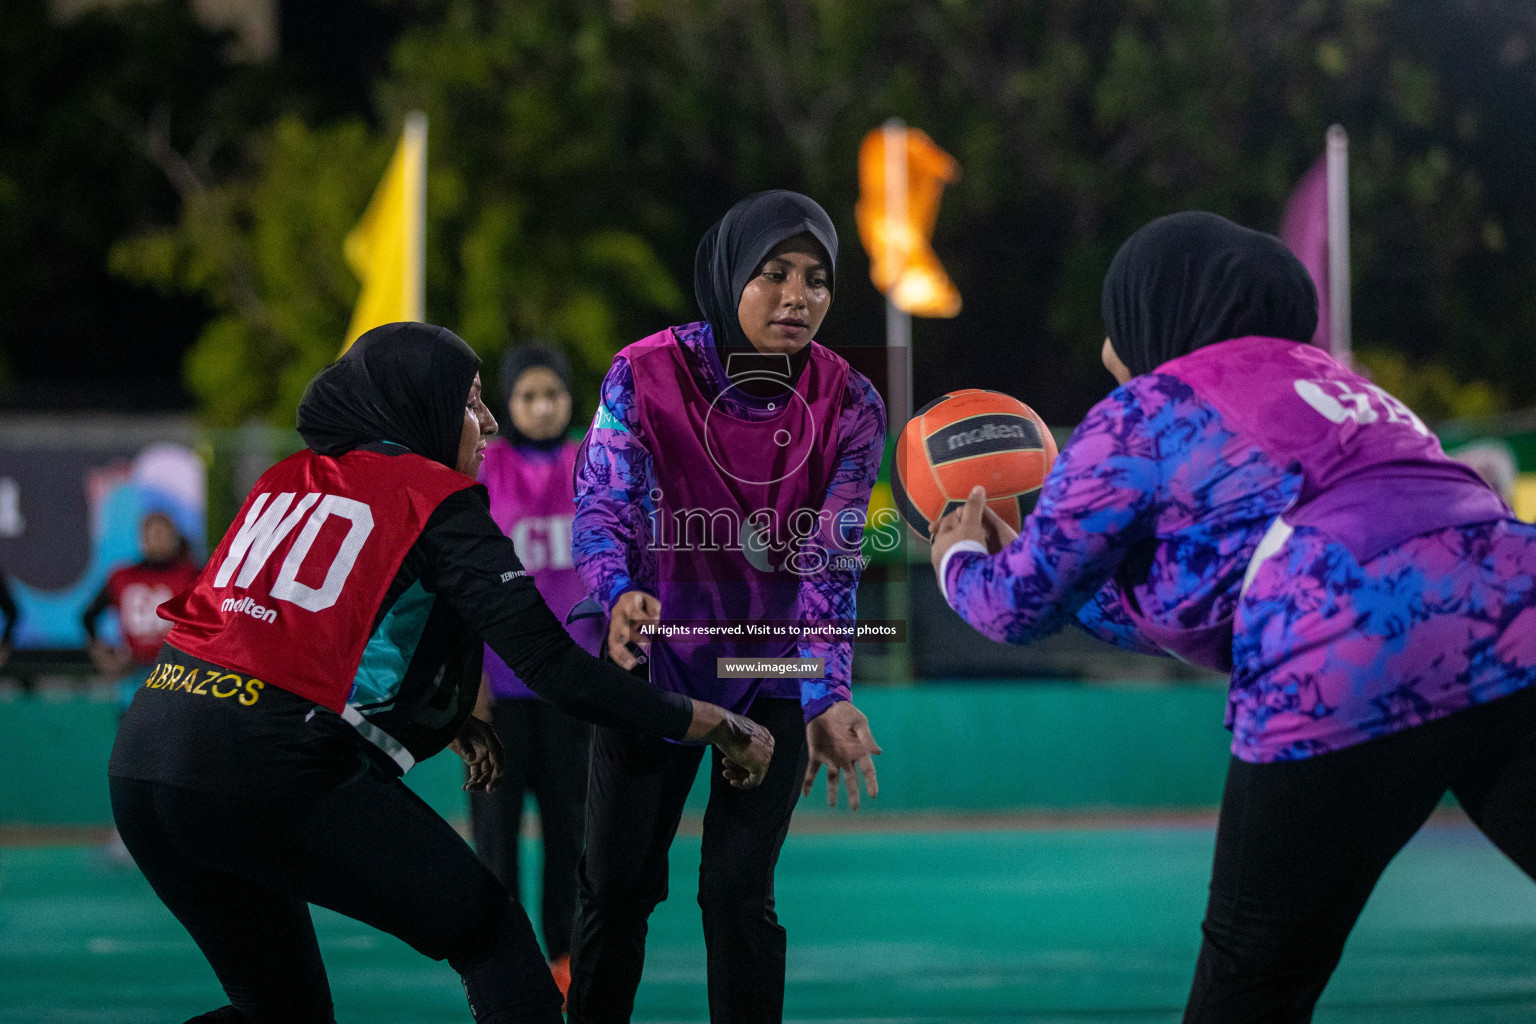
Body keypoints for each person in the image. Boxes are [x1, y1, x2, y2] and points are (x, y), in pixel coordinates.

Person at [929, 211, 1536, 1024]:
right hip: (1512, 624)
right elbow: (1220, 590)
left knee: (1250, 984)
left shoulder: (1147, 408)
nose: (1111, 352)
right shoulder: (1353, 391)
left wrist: (962, 559)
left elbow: (1016, 607)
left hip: (1343, 656)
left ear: (1155, 310)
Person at [106, 322, 774, 1024]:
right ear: (421, 408)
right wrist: (710, 721)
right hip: (264, 764)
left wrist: (451, 711)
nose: (488, 422)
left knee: (279, 1013)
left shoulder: (283, 479)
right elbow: (554, 668)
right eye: (471, 401)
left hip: (144, 757)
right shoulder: (436, 498)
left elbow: (283, 629)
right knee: (490, 934)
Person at [568, 190, 887, 1023]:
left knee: (738, 894)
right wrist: (616, 593)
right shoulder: (644, 373)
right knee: (615, 889)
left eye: (817, 279)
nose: (798, 296)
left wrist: (829, 692)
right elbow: (602, 503)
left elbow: (833, 557)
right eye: (774, 273)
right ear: (728, 274)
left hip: (770, 664)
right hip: (658, 659)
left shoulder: (851, 404)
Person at [470, 344, 599, 1000]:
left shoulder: (594, 461)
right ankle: (500, 967)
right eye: (528, 396)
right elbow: (455, 579)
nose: (543, 407)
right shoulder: (483, 466)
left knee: (571, 832)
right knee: (493, 840)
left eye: (553, 394)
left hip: (573, 685)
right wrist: (469, 682)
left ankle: (565, 960)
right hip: (496, 689)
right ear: (508, 403)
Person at [83, 511, 200, 699]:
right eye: (154, 534)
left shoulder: (193, 576)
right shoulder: (122, 577)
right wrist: (102, 654)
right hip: (134, 671)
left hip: (180, 671)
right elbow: (88, 616)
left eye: (164, 533)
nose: (159, 539)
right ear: (142, 539)